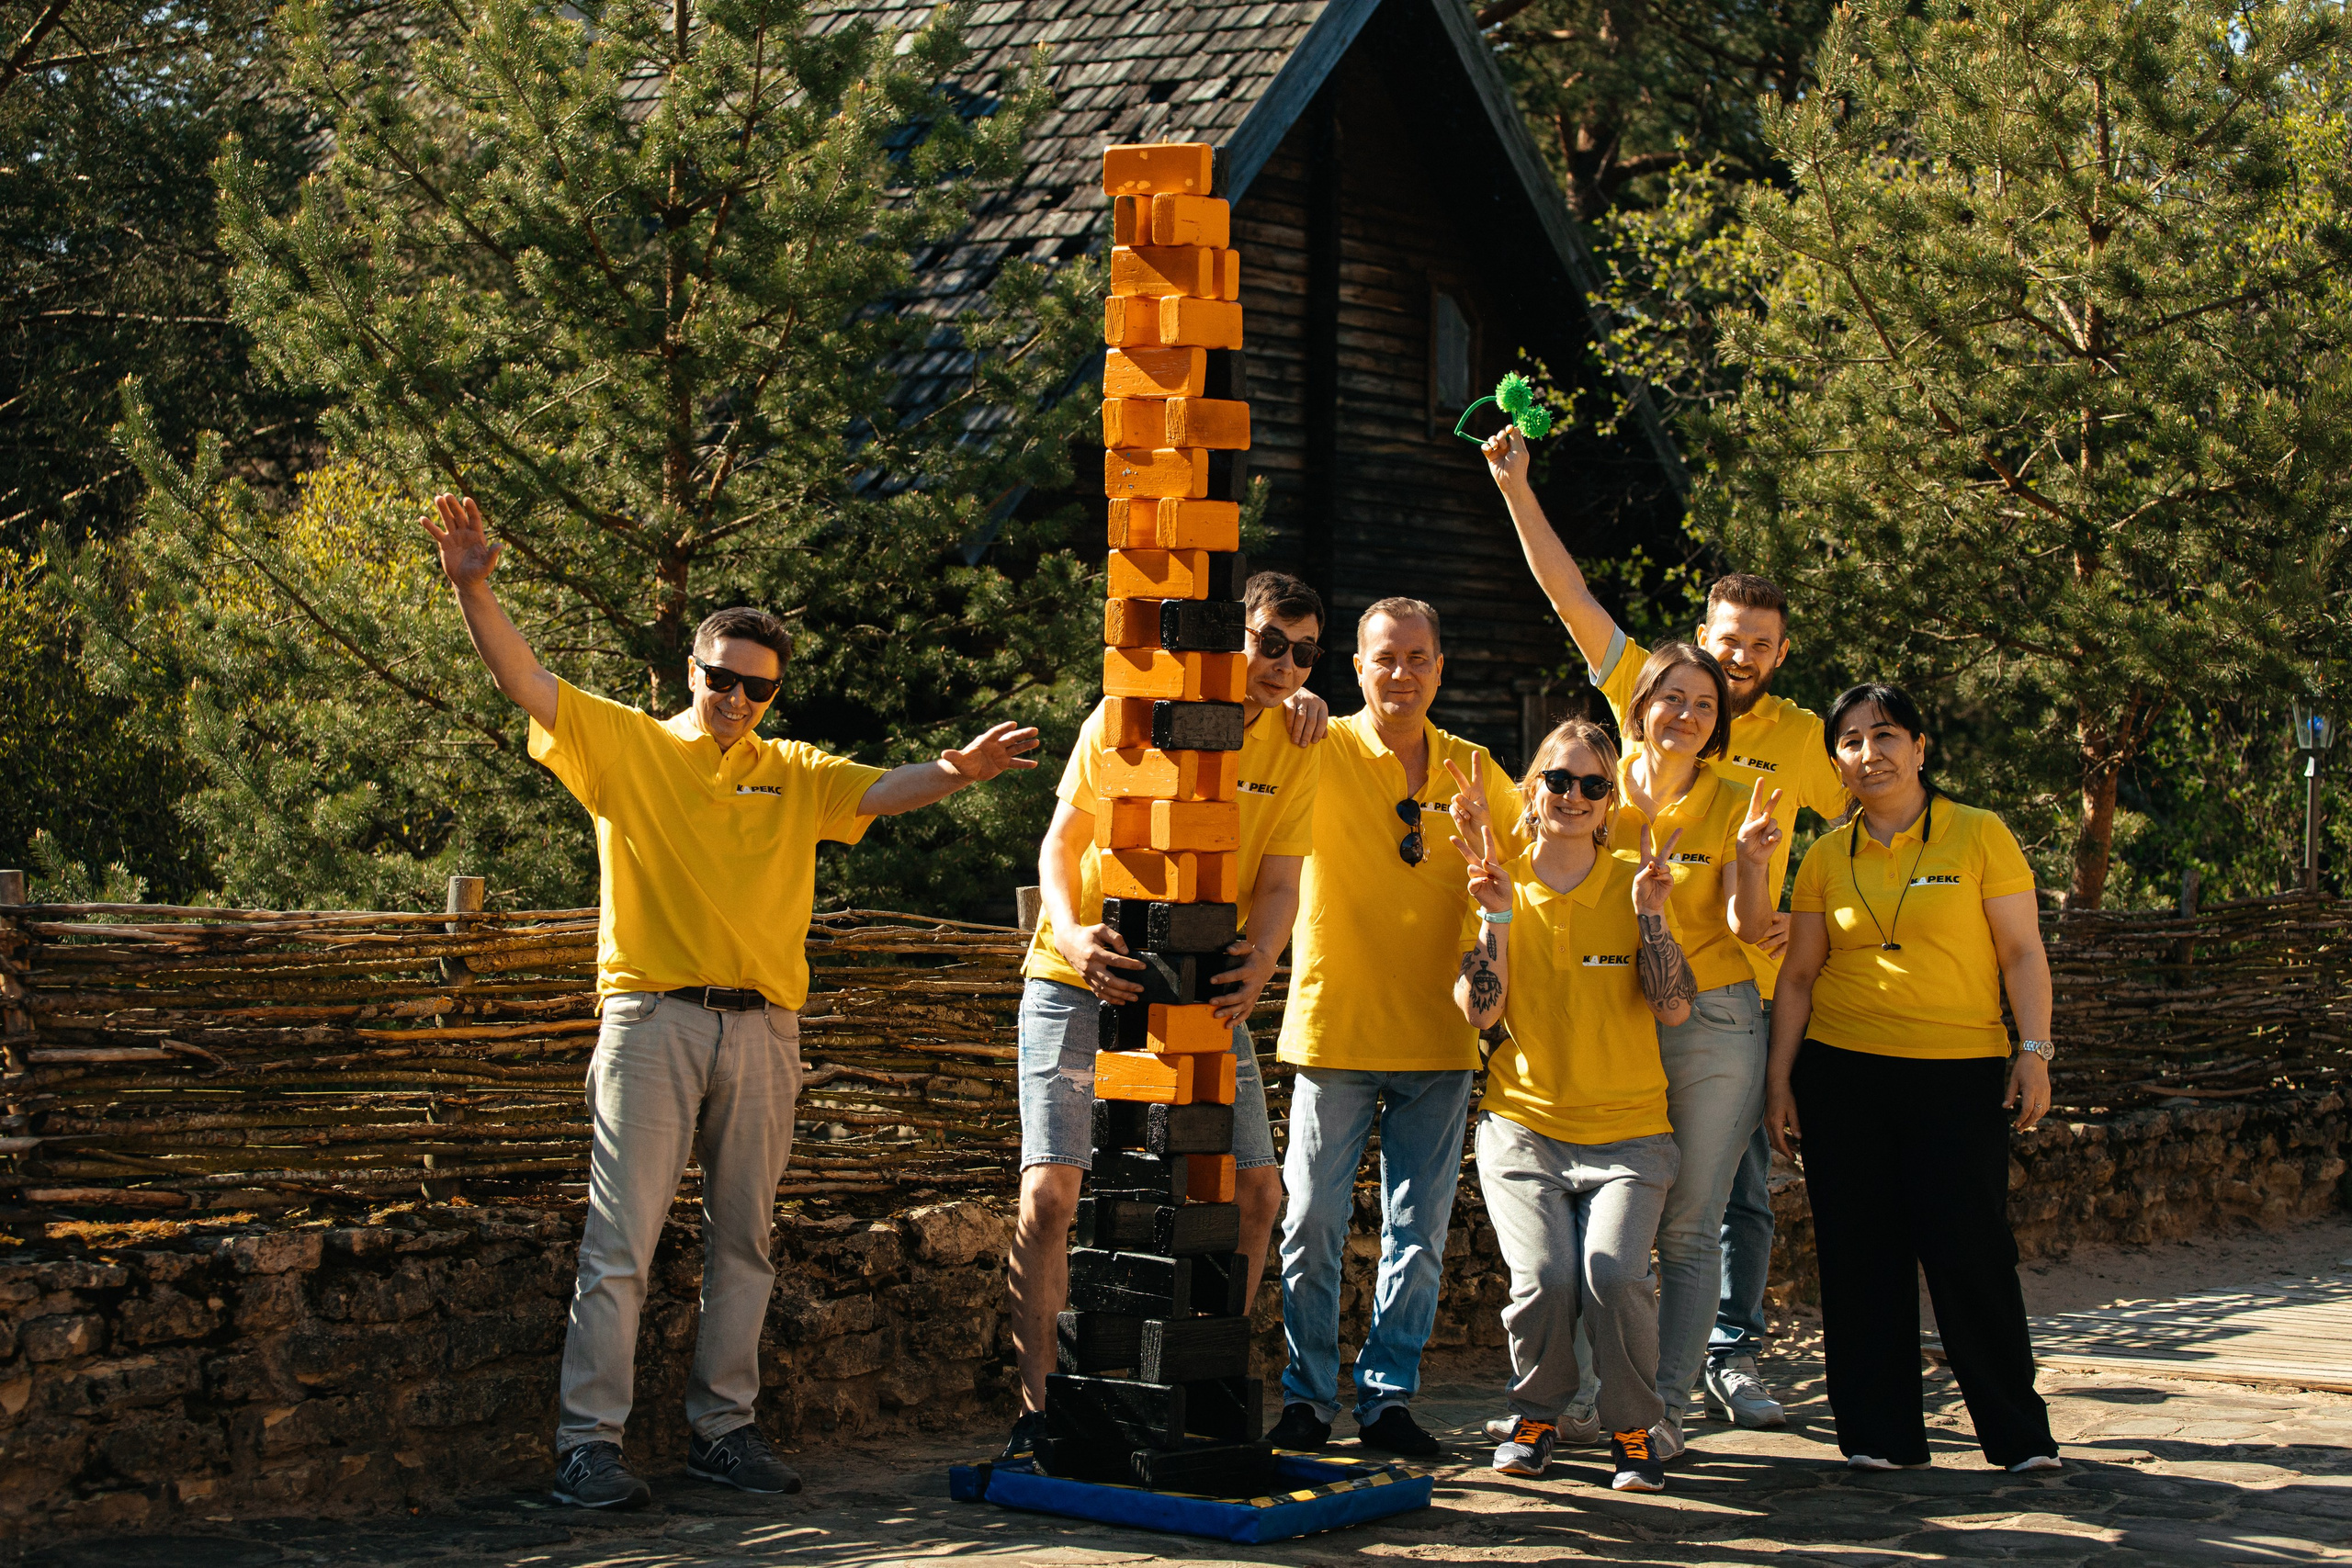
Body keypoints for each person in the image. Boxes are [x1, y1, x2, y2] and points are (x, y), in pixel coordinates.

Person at [424, 494, 1042, 1511]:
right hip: (652, 1022)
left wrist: (958, 771)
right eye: (722, 679)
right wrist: (472, 588)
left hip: (763, 1030)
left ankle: (724, 1429)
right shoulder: (625, 746)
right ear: (692, 672)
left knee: (744, 1243)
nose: (738, 698)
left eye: (758, 687)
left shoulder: (793, 771)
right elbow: (524, 680)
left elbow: (881, 790)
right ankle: (587, 1445)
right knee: (620, 1246)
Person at [1485, 426, 1844, 1434]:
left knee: (1690, 1225)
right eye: (1675, 695)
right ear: (1641, 701)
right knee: (1601, 1229)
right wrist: (1515, 487)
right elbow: (1568, 595)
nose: (1691, 706)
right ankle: (1586, 1398)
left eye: (1705, 701)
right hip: (1605, 1013)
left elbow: (1758, 908)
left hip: (1711, 1013)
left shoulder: (1753, 780)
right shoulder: (1595, 778)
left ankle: (1663, 1404)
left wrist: (1777, 893)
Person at [1001, 570, 1331, 1459]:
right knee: (1051, 1191)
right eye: (1270, 643)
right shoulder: (1128, 717)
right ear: (1228, 633)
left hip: (1199, 988)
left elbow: (1280, 882)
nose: (1286, 665)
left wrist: (1262, 959)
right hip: (1080, 977)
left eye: (1305, 653)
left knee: (1258, 1191)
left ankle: (1198, 1386)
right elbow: (1062, 842)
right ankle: (1039, 1412)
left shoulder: (1298, 740)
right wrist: (1070, 933)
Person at [1762, 683, 2062, 1474]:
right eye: (1851, 741)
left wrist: (2034, 1048)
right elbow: (1798, 977)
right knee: (1859, 1257)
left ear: (1921, 747)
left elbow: (2022, 952)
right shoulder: (1825, 857)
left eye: (1886, 734)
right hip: (1843, 1077)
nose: (1871, 753)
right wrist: (1779, 1081)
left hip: (1956, 1075)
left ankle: (2019, 1437)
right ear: (1836, 762)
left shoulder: (1979, 833)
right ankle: (1878, 1435)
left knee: (1971, 1253)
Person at [1452, 717, 1734, 1492]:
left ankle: (1634, 1426)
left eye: (1592, 784)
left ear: (1610, 801)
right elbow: (1480, 1010)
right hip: (1525, 1128)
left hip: (1630, 1132)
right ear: (1533, 789)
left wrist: (1653, 916)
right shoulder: (1499, 881)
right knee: (1546, 1278)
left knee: (1613, 1275)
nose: (1573, 795)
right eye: (1558, 779)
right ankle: (1536, 1416)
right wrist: (1496, 915)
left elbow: (1673, 1007)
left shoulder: (1637, 884)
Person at [1269, 597, 1520, 1458]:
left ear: (1440, 668)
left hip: (1439, 1039)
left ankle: (1386, 1399)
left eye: (1417, 658)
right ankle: (1307, 1396)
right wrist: (1286, 695)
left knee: (1417, 1234)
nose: (1401, 674)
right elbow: (1236, 727)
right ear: (1357, 667)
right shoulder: (1318, 743)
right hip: (1334, 1029)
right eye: (1385, 658)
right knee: (1310, 1223)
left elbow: (1548, 858)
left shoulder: (1476, 771)